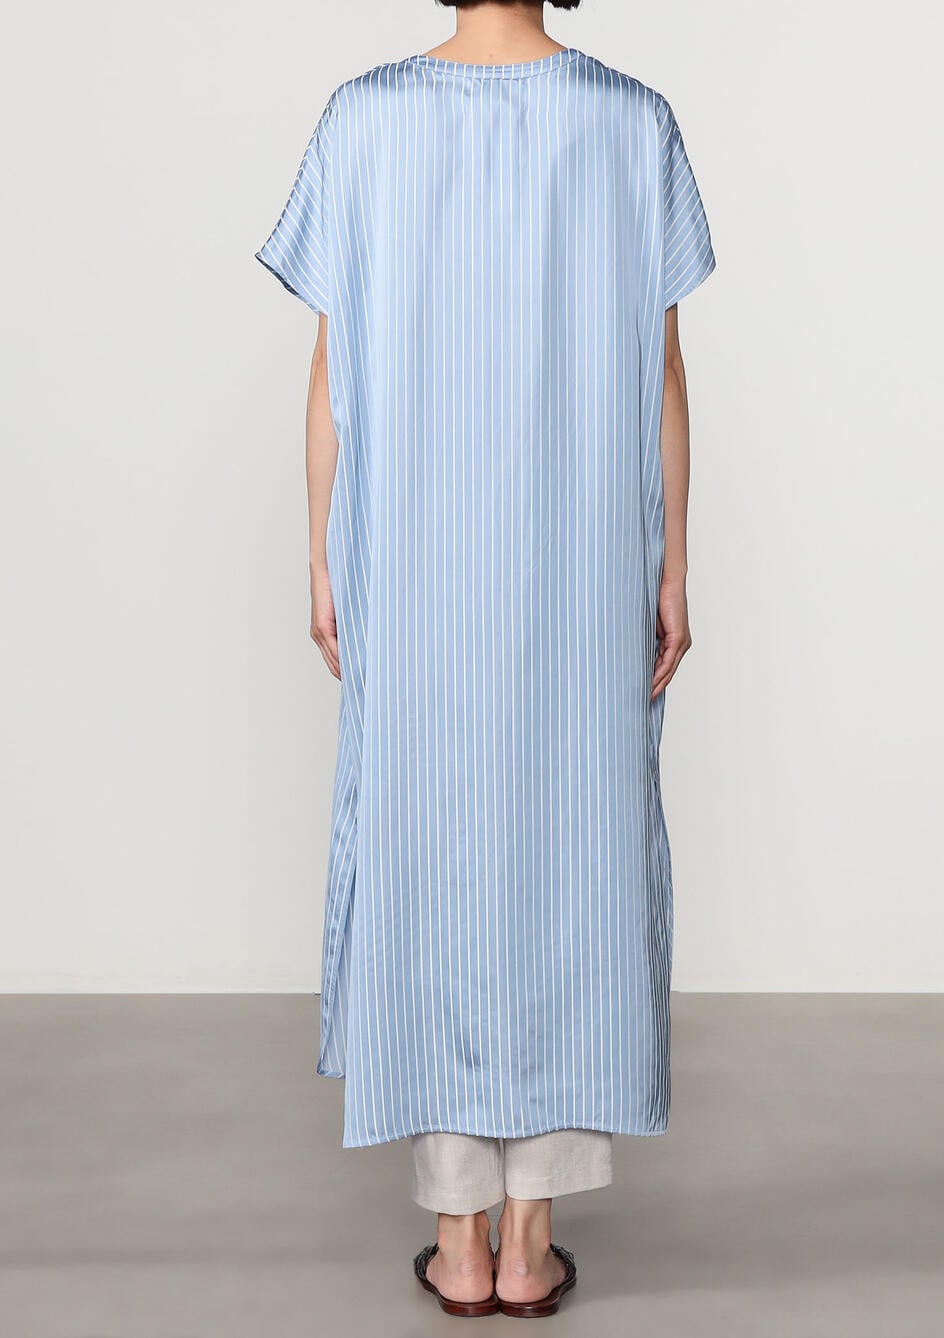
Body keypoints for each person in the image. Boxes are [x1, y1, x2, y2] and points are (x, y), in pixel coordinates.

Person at [255, 0, 715, 1318]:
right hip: (582, 568)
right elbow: (661, 370)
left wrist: (322, 553)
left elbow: (335, 369)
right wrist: (673, 561)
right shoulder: (633, 123)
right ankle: (529, 1239)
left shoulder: (364, 122)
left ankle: (456, 1241)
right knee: (572, 865)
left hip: (415, 567)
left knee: (428, 860)